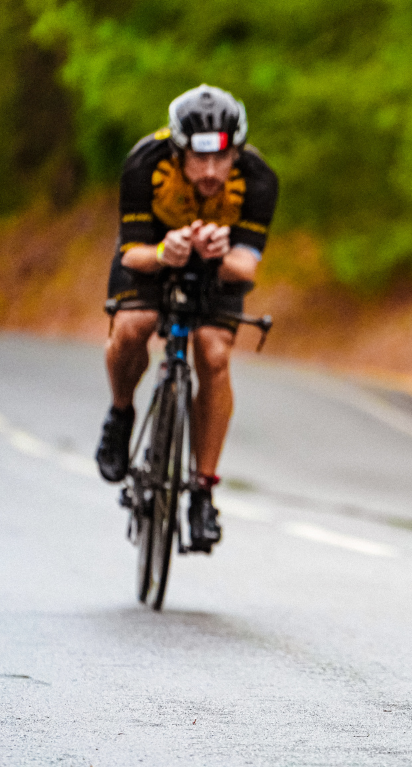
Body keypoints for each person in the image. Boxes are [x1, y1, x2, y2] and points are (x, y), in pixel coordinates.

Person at [94, 84, 278, 552]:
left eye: (223, 158)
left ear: (236, 150)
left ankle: (202, 490)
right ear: (178, 152)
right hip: (152, 253)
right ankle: (120, 414)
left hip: (217, 262)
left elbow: (247, 266)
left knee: (213, 353)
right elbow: (132, 253)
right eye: (200, 160)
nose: (213, 171)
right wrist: (164, 250)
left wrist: (216, 256)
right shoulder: (144, 163)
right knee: (134, 325)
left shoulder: (257, 179)